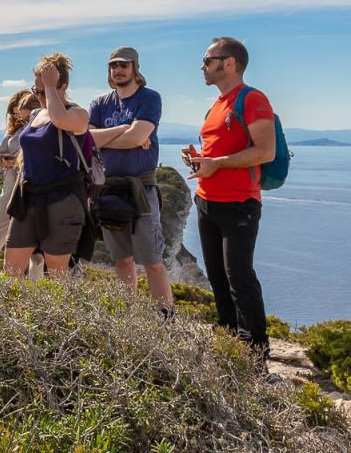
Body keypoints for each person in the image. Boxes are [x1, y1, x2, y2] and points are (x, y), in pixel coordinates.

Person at [182, 37, 276, 360]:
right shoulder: (217, 105)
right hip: (207, 202)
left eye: (208, 60)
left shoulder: (253, 99)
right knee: (218, 277)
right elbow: (217, 153)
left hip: (239, 204)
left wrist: (216, 164)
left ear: (230, 63)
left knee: (239, 276)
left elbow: (266, 150)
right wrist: (198, 158)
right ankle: (228, 346)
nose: (203, 67)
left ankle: (256, 357)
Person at [89, 47, 174, 313]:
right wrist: (127, 129)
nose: (118, 70)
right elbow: (87, 140)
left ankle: (165, 317)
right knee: (121, 259)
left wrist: (108, 138)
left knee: (152, 259)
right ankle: (129, 315)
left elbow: (137, 138)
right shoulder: (100, 103)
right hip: (109, 189)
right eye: (113, 65)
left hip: (141, 189)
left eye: (124, 65)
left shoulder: (149, 98)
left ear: (135, 67)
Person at [4, 54, 89, 278]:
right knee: (11, 270)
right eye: (37, 90)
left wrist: (50, 87)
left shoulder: (78, 114)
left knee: (57, 274)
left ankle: (58, 315)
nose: (40, 96)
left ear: (64, 86)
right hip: (29, 198)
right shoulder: (35, 115)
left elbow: (59, 120)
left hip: (62, 200)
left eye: (45, 91)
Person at [0, 89, 44, 276]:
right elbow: (0, 153)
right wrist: (5, 160)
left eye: (20, 109)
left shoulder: (41, 128)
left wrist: (20, 161)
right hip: (11, 189)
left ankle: (34, 292)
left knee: (34, 248)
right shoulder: (13, 131)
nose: (17, 114)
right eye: (14, 110)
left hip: (33, 191)